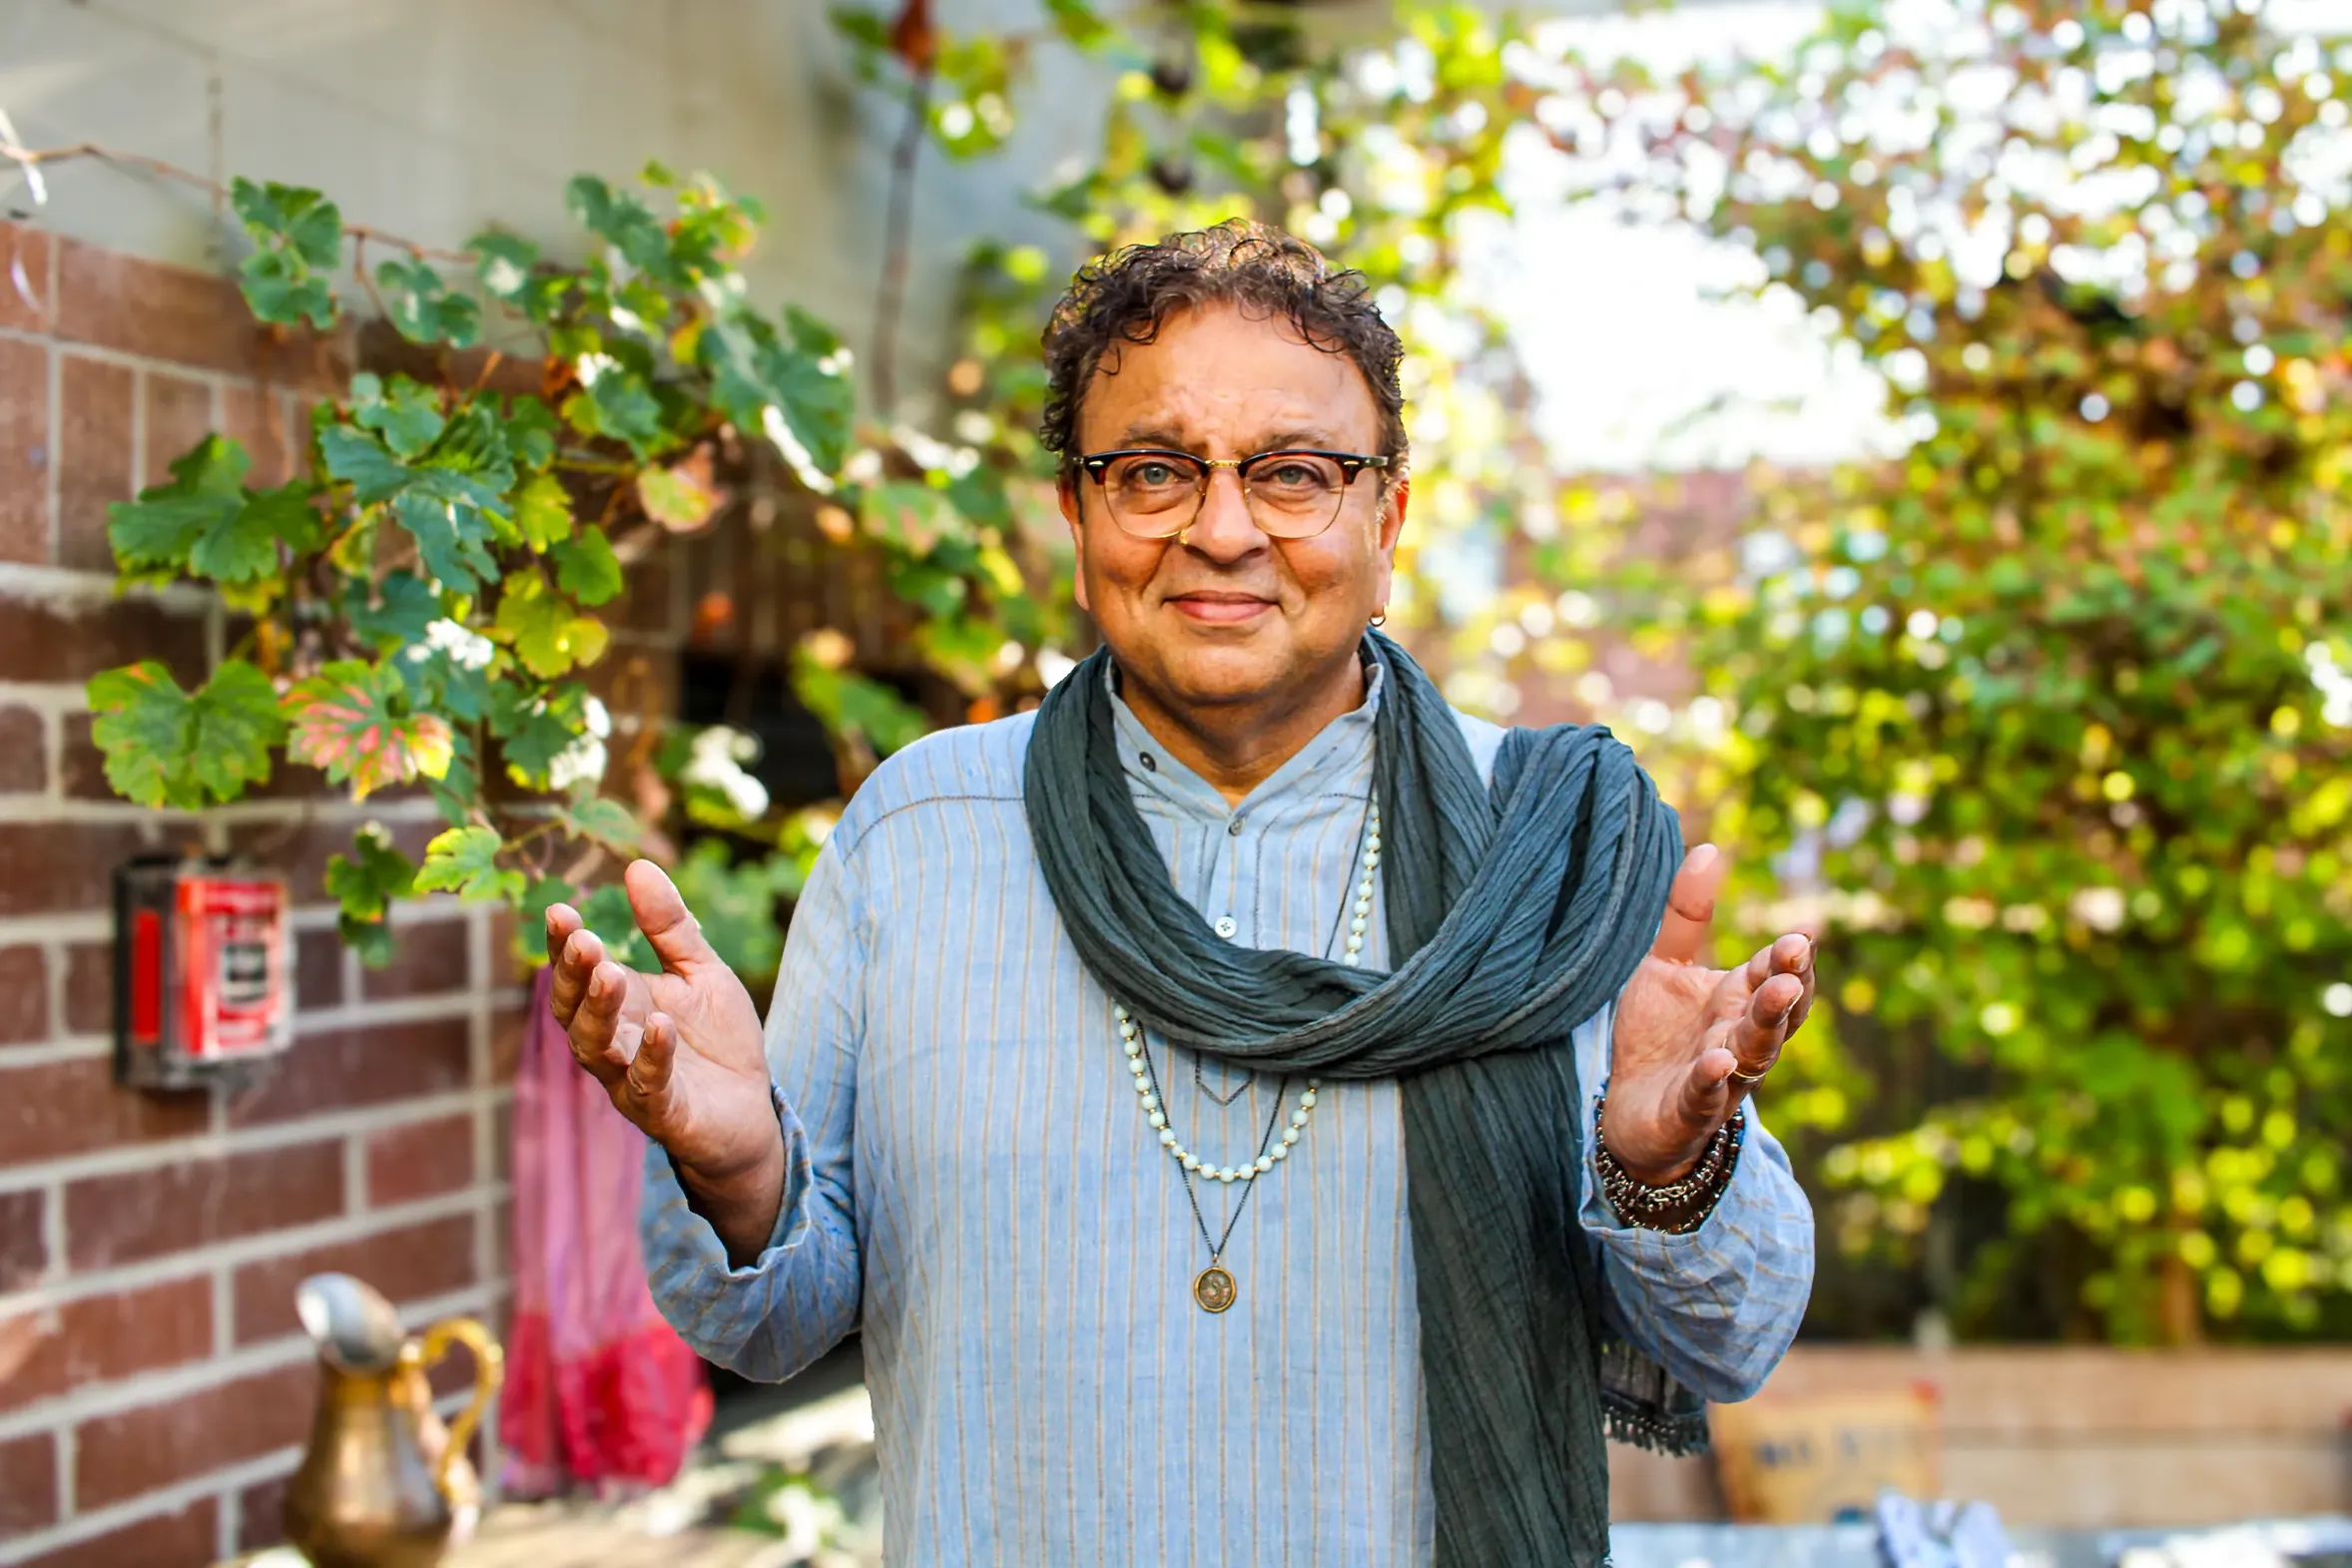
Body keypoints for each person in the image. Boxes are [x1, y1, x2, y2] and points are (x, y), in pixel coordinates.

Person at [544, 221, 1816, 1568]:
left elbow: (1731, 1340)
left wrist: (1669, 1170)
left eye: (1295, 474)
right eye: (1154, 471)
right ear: (1079, 514)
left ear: (1386, 516)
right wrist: (738, 1169)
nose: (1221, 529)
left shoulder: (1544, 850)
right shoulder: (917, 839)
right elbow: (771, 1319)